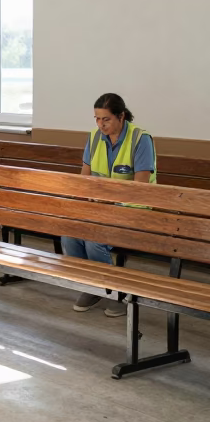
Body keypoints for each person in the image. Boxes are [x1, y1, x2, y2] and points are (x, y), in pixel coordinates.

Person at [62, 92, 156, 315]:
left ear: (121, 116)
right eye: (96, 119)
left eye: (106, 119)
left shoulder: (140, 139)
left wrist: (109, 202)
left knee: (95, 240)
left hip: (134, 210)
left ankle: (115, 293)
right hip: (102, 210)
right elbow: (84, 180)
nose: (100, 124)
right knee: (70, 234)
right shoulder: (94, 138)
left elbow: (140, 189)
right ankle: (93, 286)